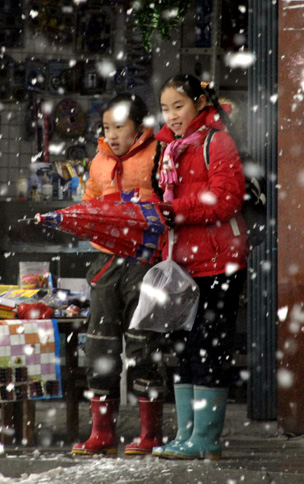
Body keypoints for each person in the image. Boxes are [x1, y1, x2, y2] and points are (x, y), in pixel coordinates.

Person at [151, 74, 248, 460]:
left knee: (209, 348)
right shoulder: (169, 149)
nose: (172, 115)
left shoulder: (216, 141)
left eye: (179, 106)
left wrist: (176, 210)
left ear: (199, 103)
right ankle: (186, 434)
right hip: (180, 264)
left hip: (217, 262)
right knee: (183, 349)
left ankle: (206, 438)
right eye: (165, 108)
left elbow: (226, 200)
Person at [72, 93, 167, 456]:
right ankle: (103, 433)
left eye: (119, 127)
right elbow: (89, 200)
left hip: (144, 261)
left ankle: (150, 434)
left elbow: (168, 199)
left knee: (143, 344)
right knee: (99, 344)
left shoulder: (158, 154)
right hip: (105, 263)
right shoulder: (98, 160)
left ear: (139, 128)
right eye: (106, 128)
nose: (111, 135)